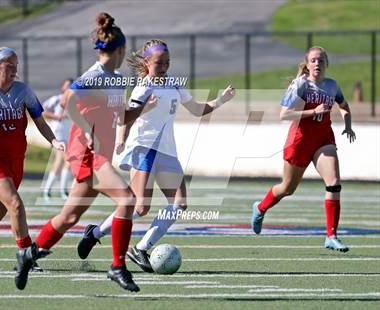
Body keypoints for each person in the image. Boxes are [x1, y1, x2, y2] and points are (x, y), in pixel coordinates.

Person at [77, 38, 235, 273]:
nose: (164, 67)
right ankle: (96, 232)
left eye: (167, 62)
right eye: (159, 63)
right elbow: (126, 116)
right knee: (140, 207)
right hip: (144, 147)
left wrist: (221, 99)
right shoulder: (143, 87)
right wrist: (121, 139)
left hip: (167, 150)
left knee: (179, 203)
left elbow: (197, 110)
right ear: (147, 63)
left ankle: (140, 248)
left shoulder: (174, 84)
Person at [33, 12, 155, 292]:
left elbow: (122, 116)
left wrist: (142, 109)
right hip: (87, 153)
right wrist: (85, 128)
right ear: (121, 50)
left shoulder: (116, 79)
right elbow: (68, 100)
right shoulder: (95, 75)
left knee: (68, 218)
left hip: (96, 154)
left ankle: (30, 254)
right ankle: (118, 266)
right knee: (126, 200)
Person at [0, 47, 65, 290]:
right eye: (10, 64)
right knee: (16, 205)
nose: (15, 69)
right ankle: (25, 256)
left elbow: (40, 121)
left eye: (16, 64)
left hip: (15, 161)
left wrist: (54, 141)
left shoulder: (24, 91)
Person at [250, 46, 356, 252]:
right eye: (314, 60)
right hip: (299, 141)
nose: (318, 63)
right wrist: (312, 111)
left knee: (334, 183)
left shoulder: (332, 85)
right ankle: (260, 207)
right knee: (287, 188)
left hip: (324, 140)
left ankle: (331, 236)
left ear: (327, 64)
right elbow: (284, 114)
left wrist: (348, 125)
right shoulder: (300, 85)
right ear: (307, 64)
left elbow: (343, 106)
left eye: (321, 60)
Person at [42, 78, 73, 200]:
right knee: (60, 160)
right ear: (63, 88)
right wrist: (57, 116)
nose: (69, 88)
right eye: (67, 86)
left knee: (68, 162)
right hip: (58, 135)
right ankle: (49, 190)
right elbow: (43, 111)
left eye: (72, 86)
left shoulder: (75, 102)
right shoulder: (56, 99)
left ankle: (61, 190)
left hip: (69, 135)